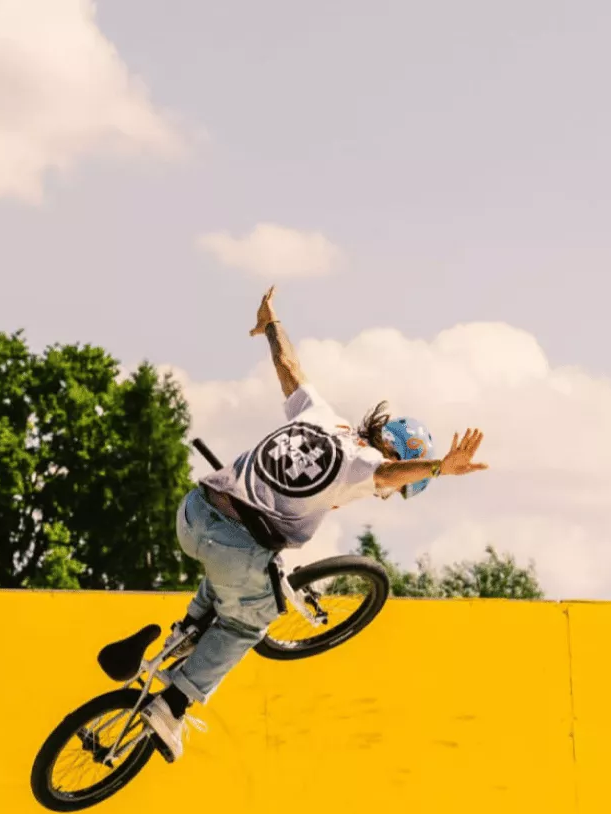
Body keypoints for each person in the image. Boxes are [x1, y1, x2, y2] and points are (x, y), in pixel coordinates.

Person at [140, 285, 487, 762]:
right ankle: (172, 705)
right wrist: (436, 468)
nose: (387, 494)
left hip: (194, 512)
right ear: (396, 454)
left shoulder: (321, 414)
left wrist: (271, 324)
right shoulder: (365, 467)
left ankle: (186, 631)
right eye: (397, 490)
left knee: (240, 575)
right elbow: (385, 473)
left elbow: (289, 368)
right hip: (232, 543)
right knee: (251, 620)